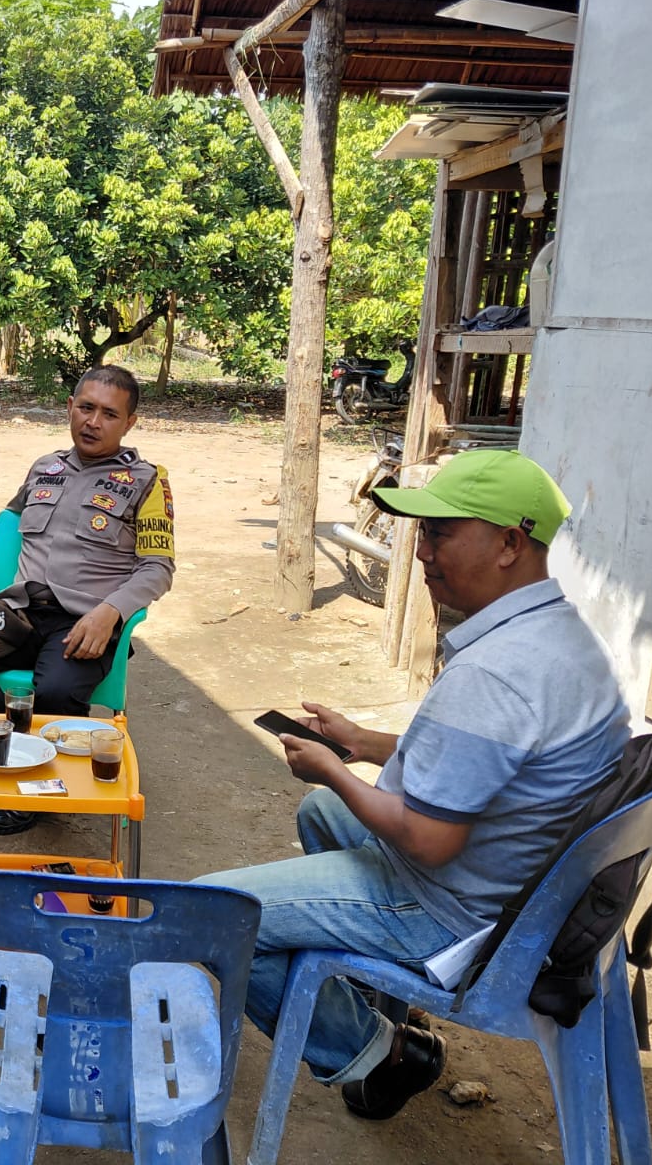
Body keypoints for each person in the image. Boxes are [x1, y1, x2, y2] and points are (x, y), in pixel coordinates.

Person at [201, 450, 630, 1119]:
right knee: (322, 812)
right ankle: (373, 991)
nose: (423, 552)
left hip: (454, 909)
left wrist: (334, 768)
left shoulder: (497, 671)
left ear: (509, 544)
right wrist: (362, 744)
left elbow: (429, 840)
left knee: (212, 915)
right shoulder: (561, 638)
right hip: (517, 886)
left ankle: (384, 1050)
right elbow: (490, 764)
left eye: (440, 534)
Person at [0, 364, 175, 834]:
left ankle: (34, 790)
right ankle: (15, 748)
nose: (93, 422)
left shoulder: (146, 482)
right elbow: (8, 537)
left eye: (109, 414)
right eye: (85, 408)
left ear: (129, 423)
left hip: (83, 621)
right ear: (69, 408)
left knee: (57, 692)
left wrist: (110, 612)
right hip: (19, 611)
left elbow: (158, 568)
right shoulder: (46, 467)